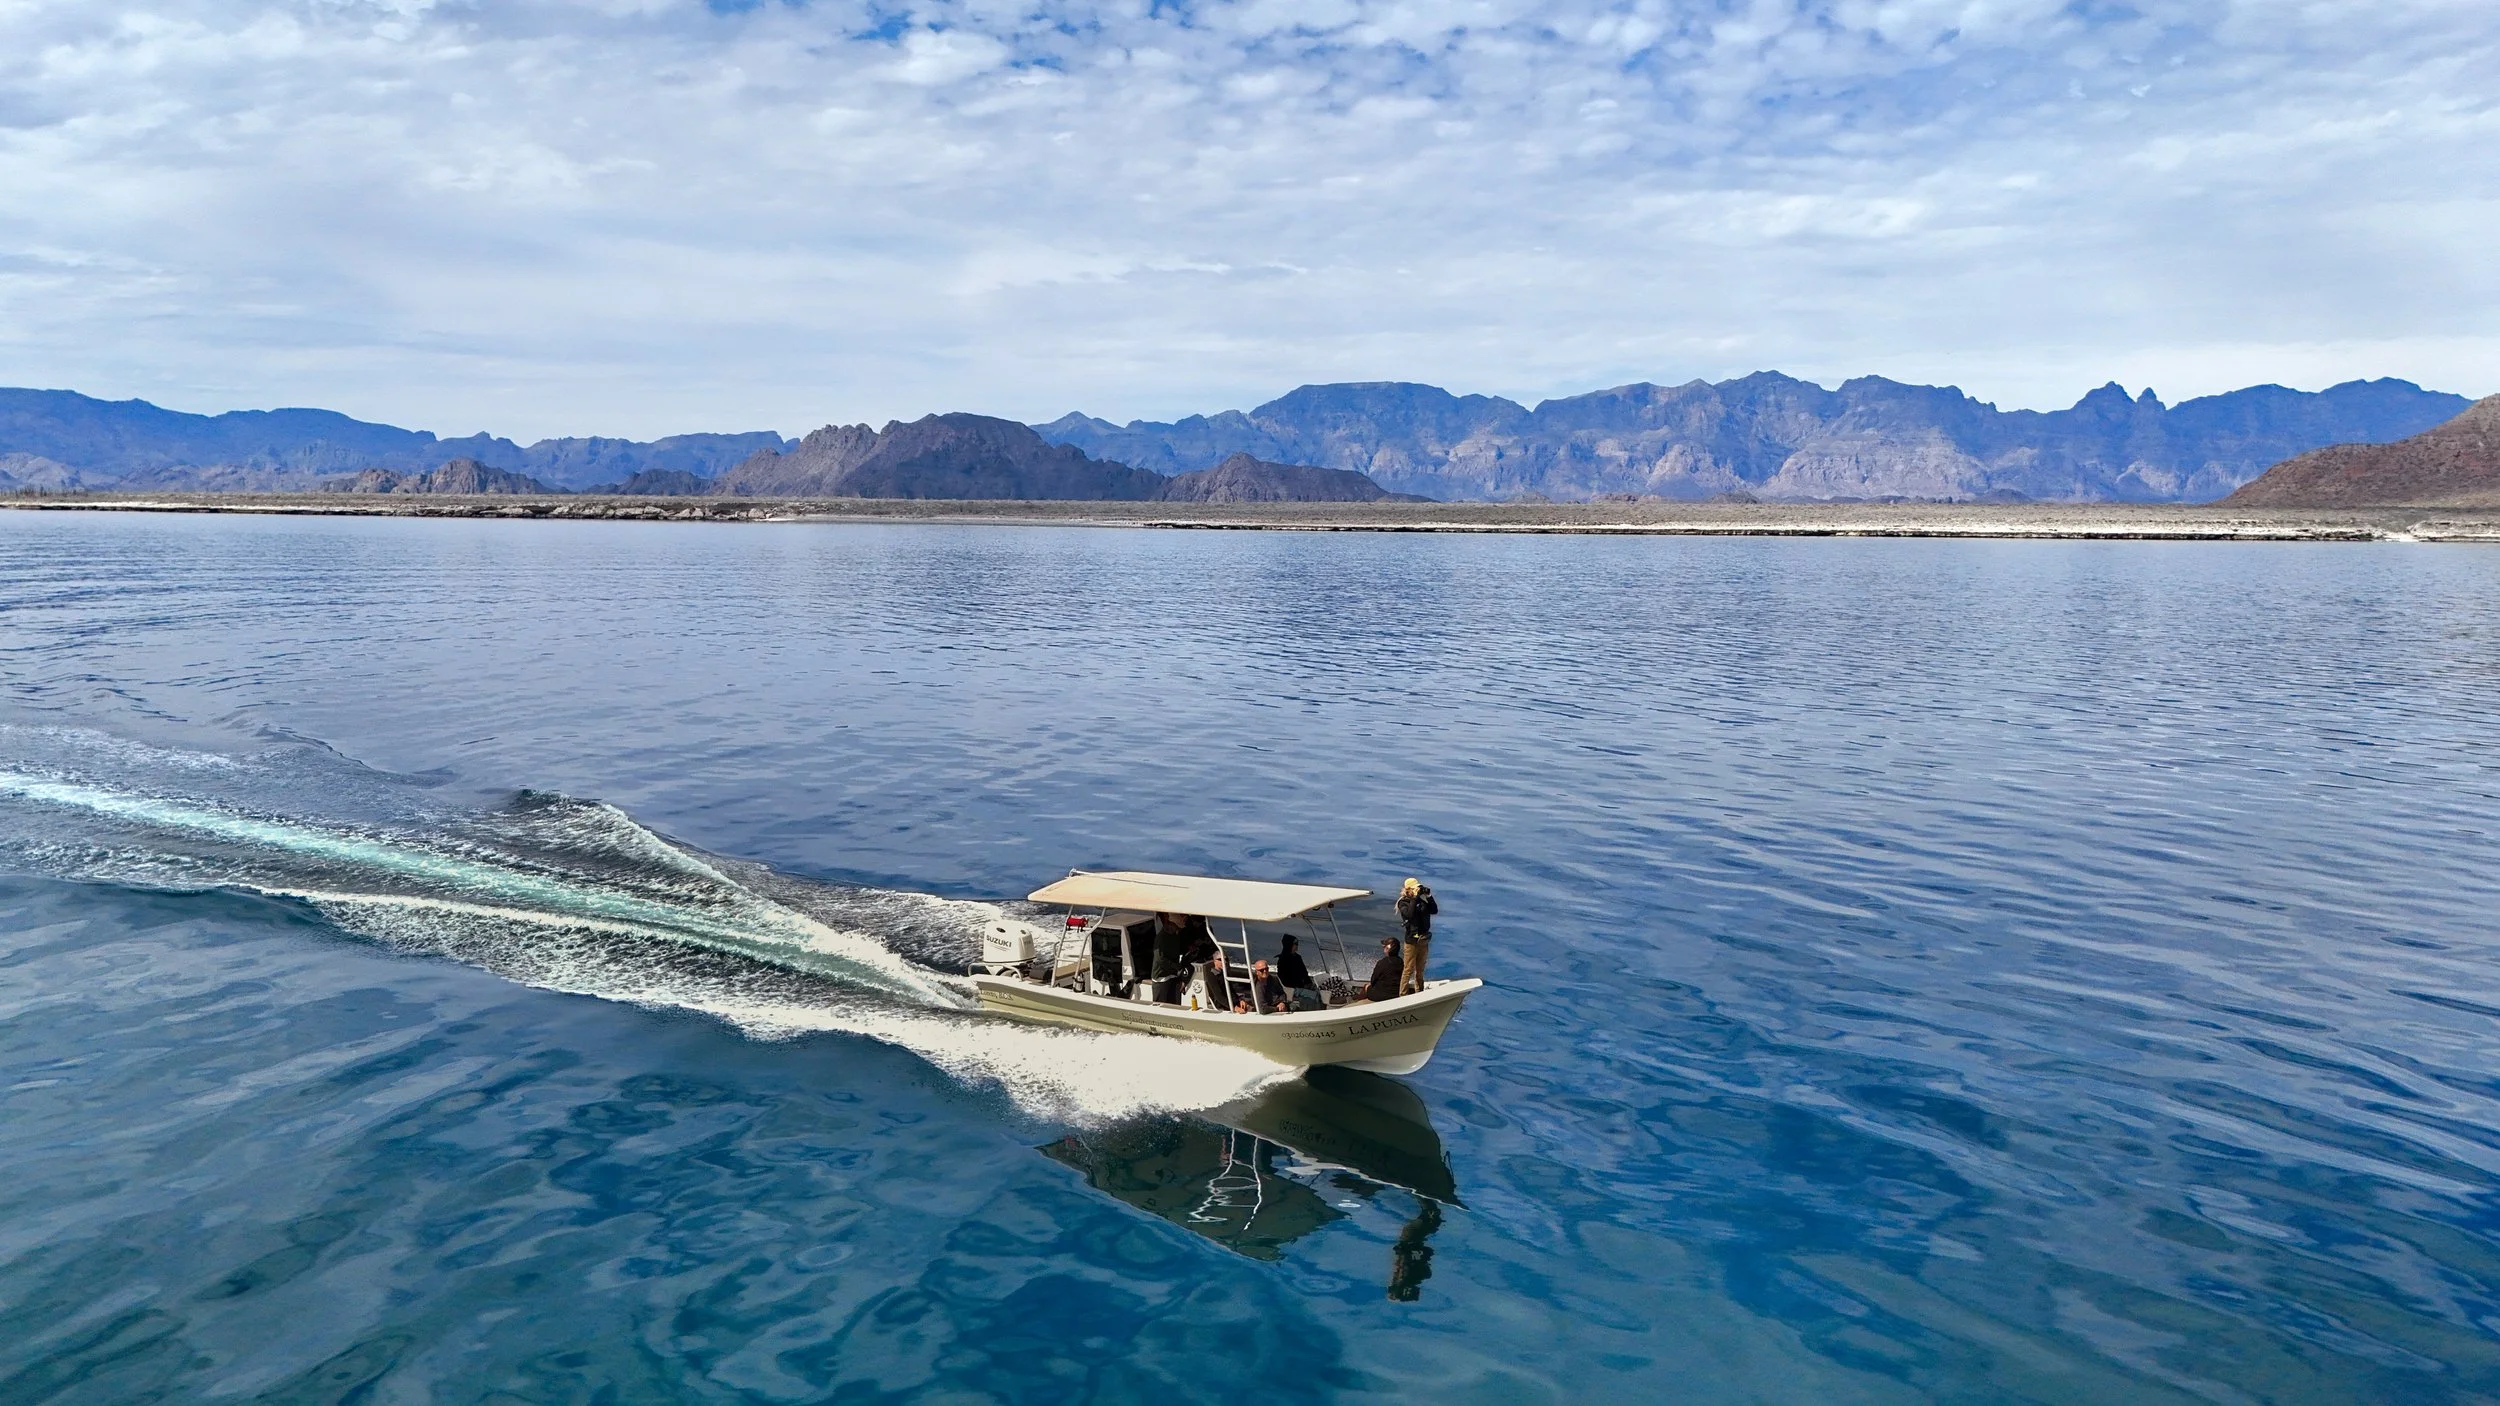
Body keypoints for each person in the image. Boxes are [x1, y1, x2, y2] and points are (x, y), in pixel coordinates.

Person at [1396, 877, 1438, 995]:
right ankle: (1403, 994)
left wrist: (1429, 896)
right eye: (1415, 889)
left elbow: (1434, 910)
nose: (1417, 891)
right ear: (1408, 889)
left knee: (1420, 970)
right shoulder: (1403, 902)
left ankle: (1419, 992)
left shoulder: (1421, 902)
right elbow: (1409, 914)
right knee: (1408, 969)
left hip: (1423, 940)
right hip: (1411, 942)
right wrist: (1414, 898)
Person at [1148, 913, 1190, 1004]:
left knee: (1174, 1004)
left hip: (1173, 975)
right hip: (1161, 977)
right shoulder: (1160, 939)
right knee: (1160, 1005)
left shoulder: (1175, 936)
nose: (1178, 929)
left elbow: (1178, 950)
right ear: (1170, 923)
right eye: (1176, 926)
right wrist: (1176, 967)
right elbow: (1160, 960)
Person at [1276, 934, 1324, 1010]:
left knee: (1321, 991)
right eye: (1295, 944)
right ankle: (1317, 1012)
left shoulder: (1298, 957)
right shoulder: (1282, 960)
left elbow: (1305, 973)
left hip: (1303, 985)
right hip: (1293, 989)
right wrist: (1300, 986)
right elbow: (1284, 979)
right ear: (1289, 945)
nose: (1297, 946)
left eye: (1297, 944)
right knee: (1315, 995)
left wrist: (1309, 983)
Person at [1359, 936, 1403, 1003]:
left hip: (1381, 996)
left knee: (1366, 987)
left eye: (1384, 947)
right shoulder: (1401, 961)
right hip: (1396, 994)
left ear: (1388, 949)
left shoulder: (1382, 962)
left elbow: (1373, 980)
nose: (1383, 948)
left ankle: (1358, 1003)